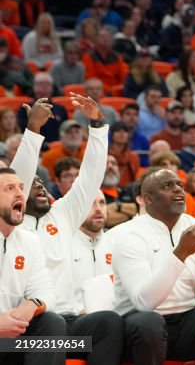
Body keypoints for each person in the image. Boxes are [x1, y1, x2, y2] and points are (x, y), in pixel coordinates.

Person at [13, 96, 125, 364]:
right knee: (51, 324)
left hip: (69, 328)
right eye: (32, 183)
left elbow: (90, 178)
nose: (40, 186)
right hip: (22, 332)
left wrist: (97, 126)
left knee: (109, 323)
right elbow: (18, 176)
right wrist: (33, 130)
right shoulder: (10, 223)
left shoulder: (62, 214)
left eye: (43, 183)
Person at [112, 168, 195, 365]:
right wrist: (181, 253)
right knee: (149, 322)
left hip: (186, 320)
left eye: (179, 184)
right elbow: (143, 303)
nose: (178, 189)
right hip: (138, 326)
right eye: (167, 186)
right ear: (148, 199)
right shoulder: (129, 236)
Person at [0, 166, 67, 365]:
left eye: (21, 188)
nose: (20, 193)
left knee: (52, 322)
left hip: (10, 340)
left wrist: (33, 304)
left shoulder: (29, 240)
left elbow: (46, 291)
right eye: (9, 188)